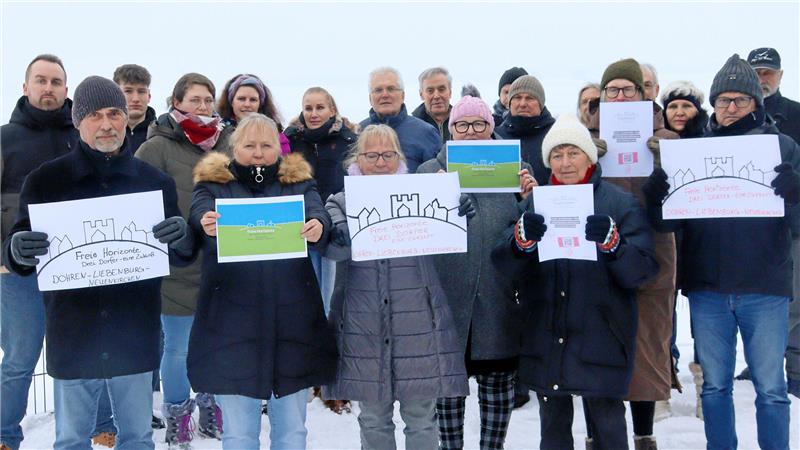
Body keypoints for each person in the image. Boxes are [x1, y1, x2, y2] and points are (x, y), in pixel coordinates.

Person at [2, 75, 194, 450]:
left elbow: (177, 254)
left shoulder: (154, 183)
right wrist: (16, 249)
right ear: (77, 121)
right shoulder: (45, 181)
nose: (105, 124)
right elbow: (24, 251)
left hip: (134, 330)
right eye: (93, 116)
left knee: (137, 438)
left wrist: (183, 238)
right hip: (73, 329)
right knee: (72, 438)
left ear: (125, 117)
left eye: (113, 114)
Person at [643, 54, 800, 450]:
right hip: (708, 288)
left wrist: (796, 194)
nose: (731, 108)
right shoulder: (693, 148)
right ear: (713, 103)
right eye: (724, 100)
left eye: (740, 100)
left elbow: (798, 224)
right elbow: (668, 225)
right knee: (714, 387)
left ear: (756, 104)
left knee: (771, 387)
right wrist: (656, 197)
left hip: (765, 287)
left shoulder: (782, 148)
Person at [492, 113, 658, 450]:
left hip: (602, 335)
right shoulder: (534, 203)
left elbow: (642, 272)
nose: (565, 163)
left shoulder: (619, 204)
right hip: (547, 334)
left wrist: (615, 246)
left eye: (573, 153)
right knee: (553, 430)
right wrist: (520, 243)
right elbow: (504, 264)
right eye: (556, 155)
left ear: (589, 157)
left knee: (608, 426)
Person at [188, 113, 337, 449]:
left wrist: (318, 225)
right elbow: (197, 214)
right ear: (234, 147)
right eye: (249, 145)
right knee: (240, 434)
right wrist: (203, 221)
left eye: (266, 145)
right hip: (231, 326)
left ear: (279, 149)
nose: (258, 153)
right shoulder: (212, 185)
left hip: (293, 324)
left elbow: (319, 211)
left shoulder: (299, 183)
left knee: (292, 432)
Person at [322, 124, 470, 449]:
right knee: (373, 419)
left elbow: (452, 238)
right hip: (364, 327)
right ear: (357, 159)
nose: (379, 162)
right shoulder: (340, 203)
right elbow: (333, 251)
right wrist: (339, 234)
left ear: (399, 157)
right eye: (371, 155)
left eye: (388, 154)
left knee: (421, 420)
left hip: (418, 324)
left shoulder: (425, 195)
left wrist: (461, 212)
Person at [417, 96, 531, 450]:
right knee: (449, 389)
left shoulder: (515, 169)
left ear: (490, 127)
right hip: (447, 298)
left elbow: (530, 226)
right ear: (450, 130)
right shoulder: (429, 170)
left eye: (478, 124)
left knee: (498, 386)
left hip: (498, 294)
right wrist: (436, 192)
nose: (470, 132)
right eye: (462, 125)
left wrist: (529, 198)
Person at [585, 58, 679, 450]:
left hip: (652, 251)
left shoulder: (666, 138)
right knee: (594, 345)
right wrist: (587, 157)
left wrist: (665, 163)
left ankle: (644, 436)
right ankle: (596, 438)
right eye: (612, 90)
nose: (620, 96)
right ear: (602, 96)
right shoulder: (583, 136)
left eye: (628, 89)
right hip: (596, 255)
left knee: (646, 347)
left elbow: (685, 199)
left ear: (643, 94)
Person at [135, 73, 232, 446]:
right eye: (195, 100)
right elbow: (139, 202)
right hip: (176, 262)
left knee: (215, 342)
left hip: (222, 260)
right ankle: (177, 415)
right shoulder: (156, 147)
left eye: (208, 100)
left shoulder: (226, 140)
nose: (203, 107)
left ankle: (210, 406)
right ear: (176, 102)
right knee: (177, 347)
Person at [0, 54, 77, 450]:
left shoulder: (80, 136)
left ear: (67, 89)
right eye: (41, 81)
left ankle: (97, 425)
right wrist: (5, 253)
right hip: (17, 274)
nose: (49, 89)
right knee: (19, 358)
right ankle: (4, 434)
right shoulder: (4, 139)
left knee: (81, 353)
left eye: (56, 82)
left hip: (78, 267)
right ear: (25, 87)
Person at [746, 47, 800, 399]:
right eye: (757, 72)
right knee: (754, 299)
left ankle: (795, 370)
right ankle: (757, 363)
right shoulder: (726, 116)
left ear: (780, 76)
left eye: (768, 72)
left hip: (792, 225)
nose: (763, 78)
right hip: (746, 227)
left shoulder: (796, 114)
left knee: (794, 301)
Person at [659, 80, 710, 420]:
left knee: (704, 320)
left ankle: (707, 389)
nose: (679, 112)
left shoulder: (709, 141)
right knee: (665, 318)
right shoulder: (656, 144)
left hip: (704, 243)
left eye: (686, 106)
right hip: (668, 240)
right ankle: (662, 381)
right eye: (673, 106)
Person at [284, 87, 358, 314]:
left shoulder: (349, 140)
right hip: (302, 227)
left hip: (337, 227)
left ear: (332, 110)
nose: (313, 113)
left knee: (335, 295)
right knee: (307, 296)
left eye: (320, 108)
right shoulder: (291, 140)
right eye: (308, 108)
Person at [360, 67, 440, 172]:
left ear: (403, 95)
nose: (385, 95)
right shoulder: (358, 133)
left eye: (391, 89)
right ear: (370, 98)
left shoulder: (426, 133)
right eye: (378, 90)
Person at [495, 74, 556, 186]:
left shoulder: (556, 134)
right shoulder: (496, 136)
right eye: (517, 98)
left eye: (530, 98)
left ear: (541, 104)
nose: (523, 104)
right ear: (509, 103)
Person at [217, 73, 291, 154]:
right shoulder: (216, 134)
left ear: (260, 104)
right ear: (231, 102)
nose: (247, 104)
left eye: (253, 100)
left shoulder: (276, 137)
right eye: (241, 99)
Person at [113, 64, 156, 153]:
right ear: (115, 94)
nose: (135, 99)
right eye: (128, 91)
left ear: (149, 96)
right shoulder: (103, 132)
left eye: (141, 91)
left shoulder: (161, 134)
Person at [412, 67, 453, 142]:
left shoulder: (462, 124)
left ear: (450, 92)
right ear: (421, 95)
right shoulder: (412, 127)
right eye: (430, 91)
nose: (436, 96)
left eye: (441, 89)